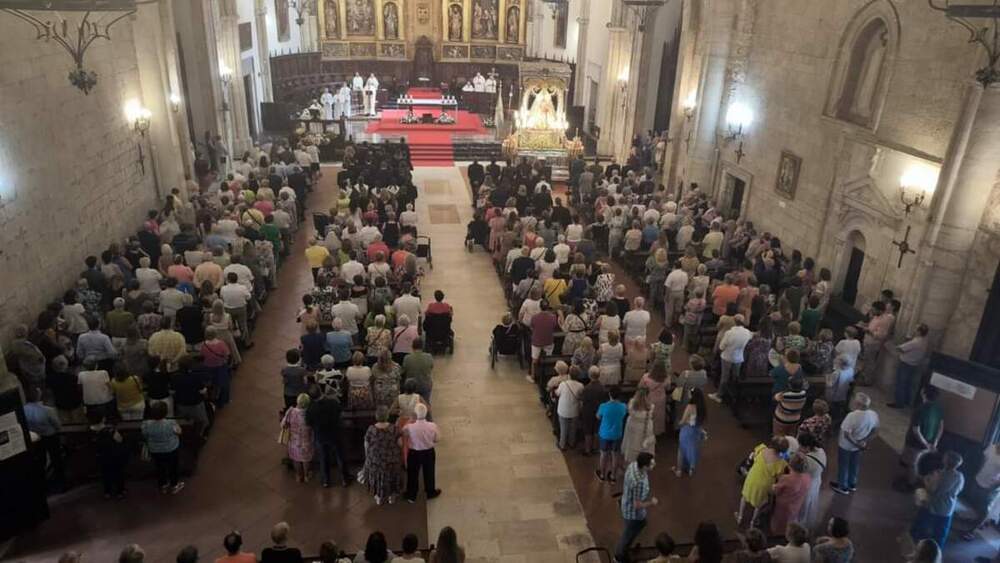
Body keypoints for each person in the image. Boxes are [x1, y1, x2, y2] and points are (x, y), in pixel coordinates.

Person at [910, 450, 964, 549]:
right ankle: (936, 552)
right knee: (940, 533)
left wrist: (926, 480)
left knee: (921, 525)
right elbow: (959, 490)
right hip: (948, 509)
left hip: (932, 505)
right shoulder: (960, 476)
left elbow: (932, 490)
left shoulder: (940, 475)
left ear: (945, 461)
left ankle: (915, 546)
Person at [831, 392, 879, 495]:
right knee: (854, 464)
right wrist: (864, 441)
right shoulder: (873, 414)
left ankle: (843, 487)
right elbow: (875, 431)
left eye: (855, 401)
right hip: (859, 446)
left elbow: (846, 434)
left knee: (843, 465)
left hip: (846, 446)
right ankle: (852, 484)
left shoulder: (852, 416)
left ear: (858, 404)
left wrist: (856, 444)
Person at [614, 452, 658, 563]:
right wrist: (651, 503)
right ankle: (619, 556)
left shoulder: (633, 465)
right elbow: (637, 505)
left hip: (626, 501)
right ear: (644, 466)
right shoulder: (639, 482)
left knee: (641, 524)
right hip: (632, 513)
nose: (654, 464)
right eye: (651, 464)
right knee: (627, 535)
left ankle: (625, 548)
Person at [307, 380, 352, 488]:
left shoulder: (311, 409)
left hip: (321, 435)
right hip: (335, 433)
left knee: (323, 457)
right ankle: (345, 479)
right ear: (321, 391)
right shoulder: (332, 403)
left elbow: (309, 423)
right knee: (340, 456)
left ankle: (326, 480)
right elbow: (340, 413)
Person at [737, 436, 789, 527]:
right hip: (764, 485)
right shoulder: (781, 463)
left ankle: (740, 517)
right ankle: (753, 522)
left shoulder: (761, 449)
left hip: (752, 477)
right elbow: (779, 478)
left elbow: (753, 456)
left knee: (744, 497)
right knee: (758, 505)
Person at [361, 406, 403, 504]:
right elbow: (400, 444)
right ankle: (391, 497)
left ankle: (379, 497)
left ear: (376, 416)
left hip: (375, 461)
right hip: (391, 460)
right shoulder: (394, 428)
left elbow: (366, 444)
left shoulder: (371, 429)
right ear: (387, 416)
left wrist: (368, 456)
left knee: (377, 475)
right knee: (393, 473)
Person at [141, 400, 185, 494]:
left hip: (155, 450)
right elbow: (179, 432)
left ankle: (163, 485)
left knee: (160, 467)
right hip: (171, 449)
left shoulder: (146, 424)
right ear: (166, 412)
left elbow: (144, 434)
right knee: (173, 467)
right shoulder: (171, 423)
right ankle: (174, 485)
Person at [901, 387, 944, 479]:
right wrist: (934, 443)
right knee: (919, 463)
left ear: (924, 394)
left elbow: (916, 430)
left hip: (915, 443)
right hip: (931, 442)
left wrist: (925, 443)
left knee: (912, 464)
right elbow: (941, 427)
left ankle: (910, 483)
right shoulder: (939, 409)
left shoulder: (919, 409)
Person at [403, 403, 441, 502]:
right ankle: (430, 492)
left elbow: (403, 432)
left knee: (412, 473)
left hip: (414, 453)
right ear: (426, 413)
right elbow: (437, 439)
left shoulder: (409, 427)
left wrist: (410, 421)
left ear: (415, 414)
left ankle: (411, 495)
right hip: (428, 452)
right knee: (429, 472)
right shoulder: (432, 426)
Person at [962, 443, 1000, 541]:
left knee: (984, 509)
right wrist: (977, 474)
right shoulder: (991, 447)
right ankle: (977, 521)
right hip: (979, 479)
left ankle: (972, 531)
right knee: (975, 502)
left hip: (991, 486)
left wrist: (993, 487)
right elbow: (983, 461)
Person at [711, 314, 752, 403]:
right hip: (739, 358)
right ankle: (733, 395)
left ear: (734, 321)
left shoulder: (729, 333)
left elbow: (722, 346)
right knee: (735, 377)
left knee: (724, 377)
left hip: (727, 357)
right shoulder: (747, 332)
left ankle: (719, 395)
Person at [89, 410, 129, 499]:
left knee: (105, 474)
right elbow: (120, 440)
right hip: (114, 456)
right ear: (103, 419)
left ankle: (107, 492)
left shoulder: (89, 431)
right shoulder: (110, 430)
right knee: (118, 473)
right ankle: (120, 491)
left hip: (100, 456)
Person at [890, 324, 929, 408]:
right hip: (914, 364)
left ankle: (899, 403)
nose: (914, 330)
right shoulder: (924, 341)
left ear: (919, 331)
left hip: (906, 364)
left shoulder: (916, 342)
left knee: (901, 384)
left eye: (916, 329)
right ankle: (906, 401)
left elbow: (900, 348)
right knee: (908, 384)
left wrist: (904, 341)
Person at [771, 455, 813, 535]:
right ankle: (789, 532)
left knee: (779, 519)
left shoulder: (786, 478)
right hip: (796, 503)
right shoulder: (808, 477)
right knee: (791, 518)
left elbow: (776, 491)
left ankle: (777, 532)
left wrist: (773, 486)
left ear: (790, 465)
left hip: (783, 505)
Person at [796, 432, 827, 530]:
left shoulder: (807, 460)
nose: (799, 447)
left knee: (803, 506)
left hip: (808, 484)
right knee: (811, 503)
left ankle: (800, 527)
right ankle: (807, 525)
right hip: (817, 481)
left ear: (807, 447)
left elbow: (798, 471)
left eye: (801, 445)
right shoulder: (821, 451)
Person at [281, 394, 315, 483]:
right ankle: (306, 475)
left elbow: (283, 424)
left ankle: (299, 475)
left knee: (296, 459)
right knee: (306, 460)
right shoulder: (310, 414)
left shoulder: (291, 411)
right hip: (306, 441)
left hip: (294, 441)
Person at [596, 387, 628, 482]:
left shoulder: (603, 406)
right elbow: (624, 415)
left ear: (609, 394)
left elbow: (598, 416)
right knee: (615, 455)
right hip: (617, 434)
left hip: (604, 434)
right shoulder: (623, 406)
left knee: (603, 454)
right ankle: (613, 476)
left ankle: (602, 475)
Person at [675, 388, 708, 477]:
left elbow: (683, 420)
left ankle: (678, 470)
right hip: (696, 431)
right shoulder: (702, 407)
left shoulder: (690, 406)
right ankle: (690, 468)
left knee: (681, 450)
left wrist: (678, 422)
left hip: (687, 430)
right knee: (692, 449)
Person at [621, 387, 655, 464]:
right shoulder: (651, 406)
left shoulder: (632, 404)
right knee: (644, 445)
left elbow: (628, 411)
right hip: (646, 427)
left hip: (633, 425)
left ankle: (630, 465)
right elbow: (652, 416)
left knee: (631, 443)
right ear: (648, 395)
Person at [555, 371, 585, 451]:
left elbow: (557, 393)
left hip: (563, 409)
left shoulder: (563, 384)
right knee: (573, 428)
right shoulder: (580, 386)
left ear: (569, 375)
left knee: (563, 428)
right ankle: (572, 443)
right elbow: (581, 396)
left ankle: (562, 445)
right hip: (574, 410)